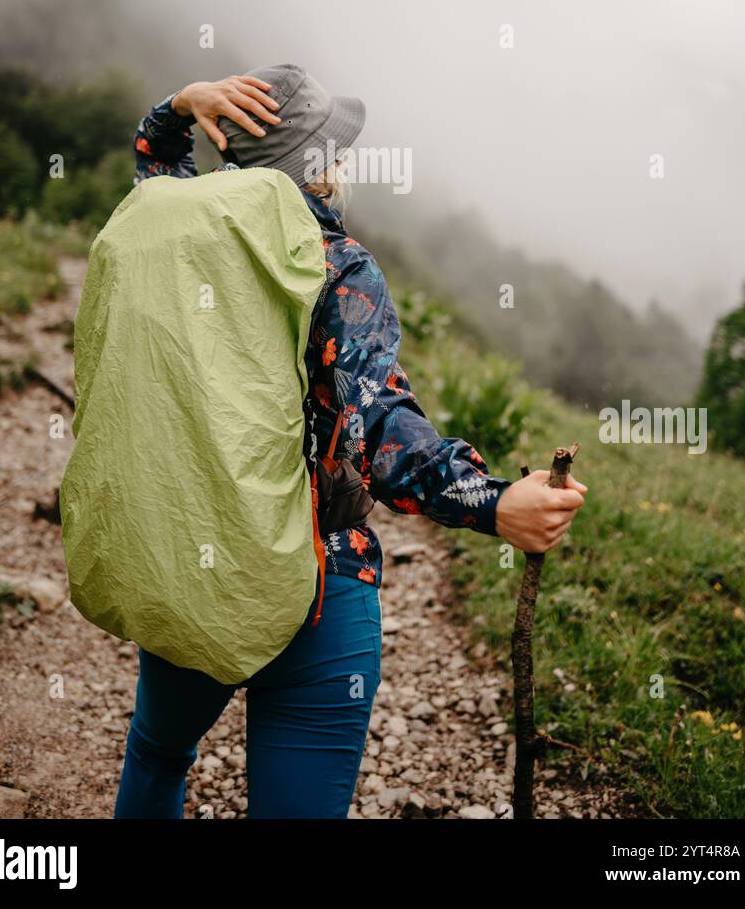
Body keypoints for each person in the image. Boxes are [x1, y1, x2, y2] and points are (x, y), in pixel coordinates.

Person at [114, 66, 587, 819]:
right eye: (336, 148)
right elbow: (380, 435)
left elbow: (153, 165)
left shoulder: (173, 233)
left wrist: (177, 106)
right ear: (318, 168)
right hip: (316, 577)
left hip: (190, 560)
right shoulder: (337, 267)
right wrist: (492, 503)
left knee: (159, 755)